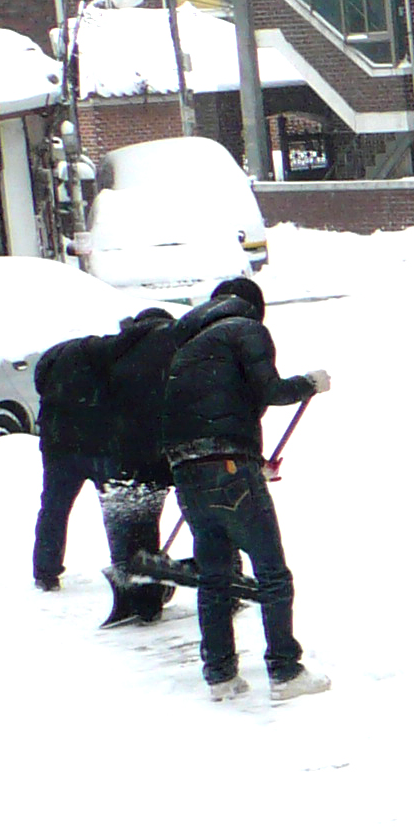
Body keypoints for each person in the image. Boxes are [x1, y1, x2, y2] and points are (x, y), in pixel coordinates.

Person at [155, 277, 331, 702]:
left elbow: (221, 411)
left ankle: (219, 675)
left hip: (187, 471)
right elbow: (268, 390)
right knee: (271, 571)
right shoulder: (246, 329)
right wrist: (308, 383)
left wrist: (253, 462)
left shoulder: (187, 348)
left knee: (216, 576)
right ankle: (285, 672)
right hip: (229, 467)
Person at [29, 305, 178, 617]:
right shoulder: (113, 356)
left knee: (54, 507)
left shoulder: (59, 354)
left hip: (57, 444)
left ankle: (46, 570)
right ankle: (125, 572)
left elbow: (41, 384)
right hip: (99, 445)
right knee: (118, 512)